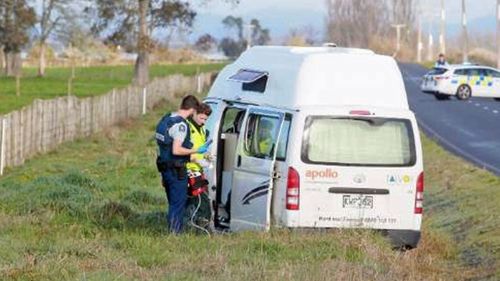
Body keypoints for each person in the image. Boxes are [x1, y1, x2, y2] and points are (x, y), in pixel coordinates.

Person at [155, 95, 211, 233]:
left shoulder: (166, 119)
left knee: (173, 203)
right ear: (192, 110)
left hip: (165, 168)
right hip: (177, 171)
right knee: (178, 205)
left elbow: (163, 148)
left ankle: (174, 231)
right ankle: (175, 234)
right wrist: (197, 150)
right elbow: (177, 149)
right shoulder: (181, 125)